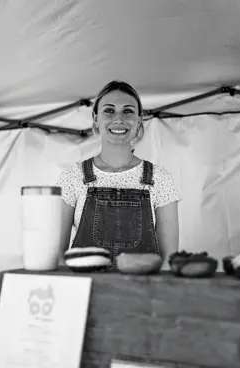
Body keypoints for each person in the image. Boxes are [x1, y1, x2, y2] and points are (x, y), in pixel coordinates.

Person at [57, 80, 181, 268]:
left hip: (143, 293)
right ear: (96, 118)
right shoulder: (72, 177)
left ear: (139, 119)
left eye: (128, 111)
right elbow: (58, 257)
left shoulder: (160, 179)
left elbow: (168, 260)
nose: (119, 119)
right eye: (109, 110)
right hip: (87, 291)